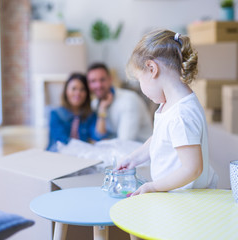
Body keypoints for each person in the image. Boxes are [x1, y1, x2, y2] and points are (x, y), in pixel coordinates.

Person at [117, 30, 217, 196]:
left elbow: (192, 169)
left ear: (151, 68)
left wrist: (153, 186)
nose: (141, 86)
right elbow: (160, 139)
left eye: (140, 79)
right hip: (173, 197)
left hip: (187, 201)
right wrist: (133, 159)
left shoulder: (181, 114)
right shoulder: (169, 104)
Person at [87, 63, 153, 143]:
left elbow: (125, 142)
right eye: (93, 81)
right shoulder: (95, 104)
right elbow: (96, 136)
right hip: (114, 149)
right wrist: (102, 110)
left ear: (110, 79)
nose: (98, 85)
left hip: (140, 148)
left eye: (102, 80)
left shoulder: (128, 100)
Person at [46, 73, 109, 152]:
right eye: (74, 89)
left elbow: (98, 137)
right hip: (57, 156)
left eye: (82, 89)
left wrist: (102, 109)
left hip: (81, 157)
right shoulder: (55, 114)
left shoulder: (90, 115)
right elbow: (63, 142)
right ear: (66, 91)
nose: (78, 93)